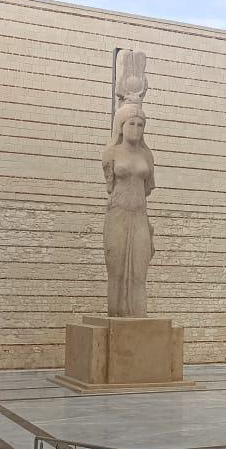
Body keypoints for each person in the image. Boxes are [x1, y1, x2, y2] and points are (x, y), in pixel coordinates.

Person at [102, 102, 154, 317]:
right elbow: (110, 185)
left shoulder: (147, 156)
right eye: (131, 123)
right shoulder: (111, 153)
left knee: (140, 271)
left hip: (140, 216)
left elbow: (148, 188)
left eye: (140, 125)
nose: (136, 129)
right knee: (116, 271)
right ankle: (116, 316)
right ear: (121, 126)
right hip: (118, 214)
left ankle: (139, 318)